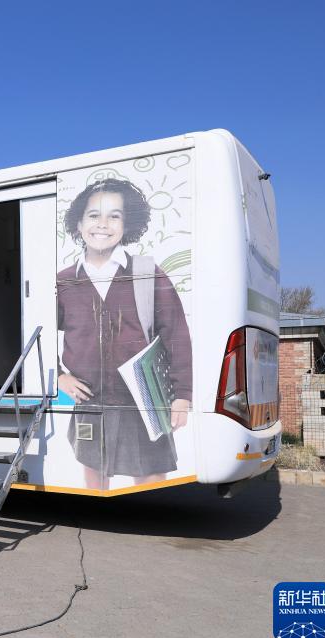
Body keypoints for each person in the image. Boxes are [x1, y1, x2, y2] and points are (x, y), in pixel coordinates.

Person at [57, 177, 192, 488]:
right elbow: (33, 331)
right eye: (94, 215)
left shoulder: (147, 272)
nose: (102, 224)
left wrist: (182, 396)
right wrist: (59, 376)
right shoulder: (63, 281)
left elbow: (176, 335)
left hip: (144, 399)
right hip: (90, 400)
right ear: (79, 224)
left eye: (114, 216)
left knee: (151, 479)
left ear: (126, 224)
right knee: (94, 475)